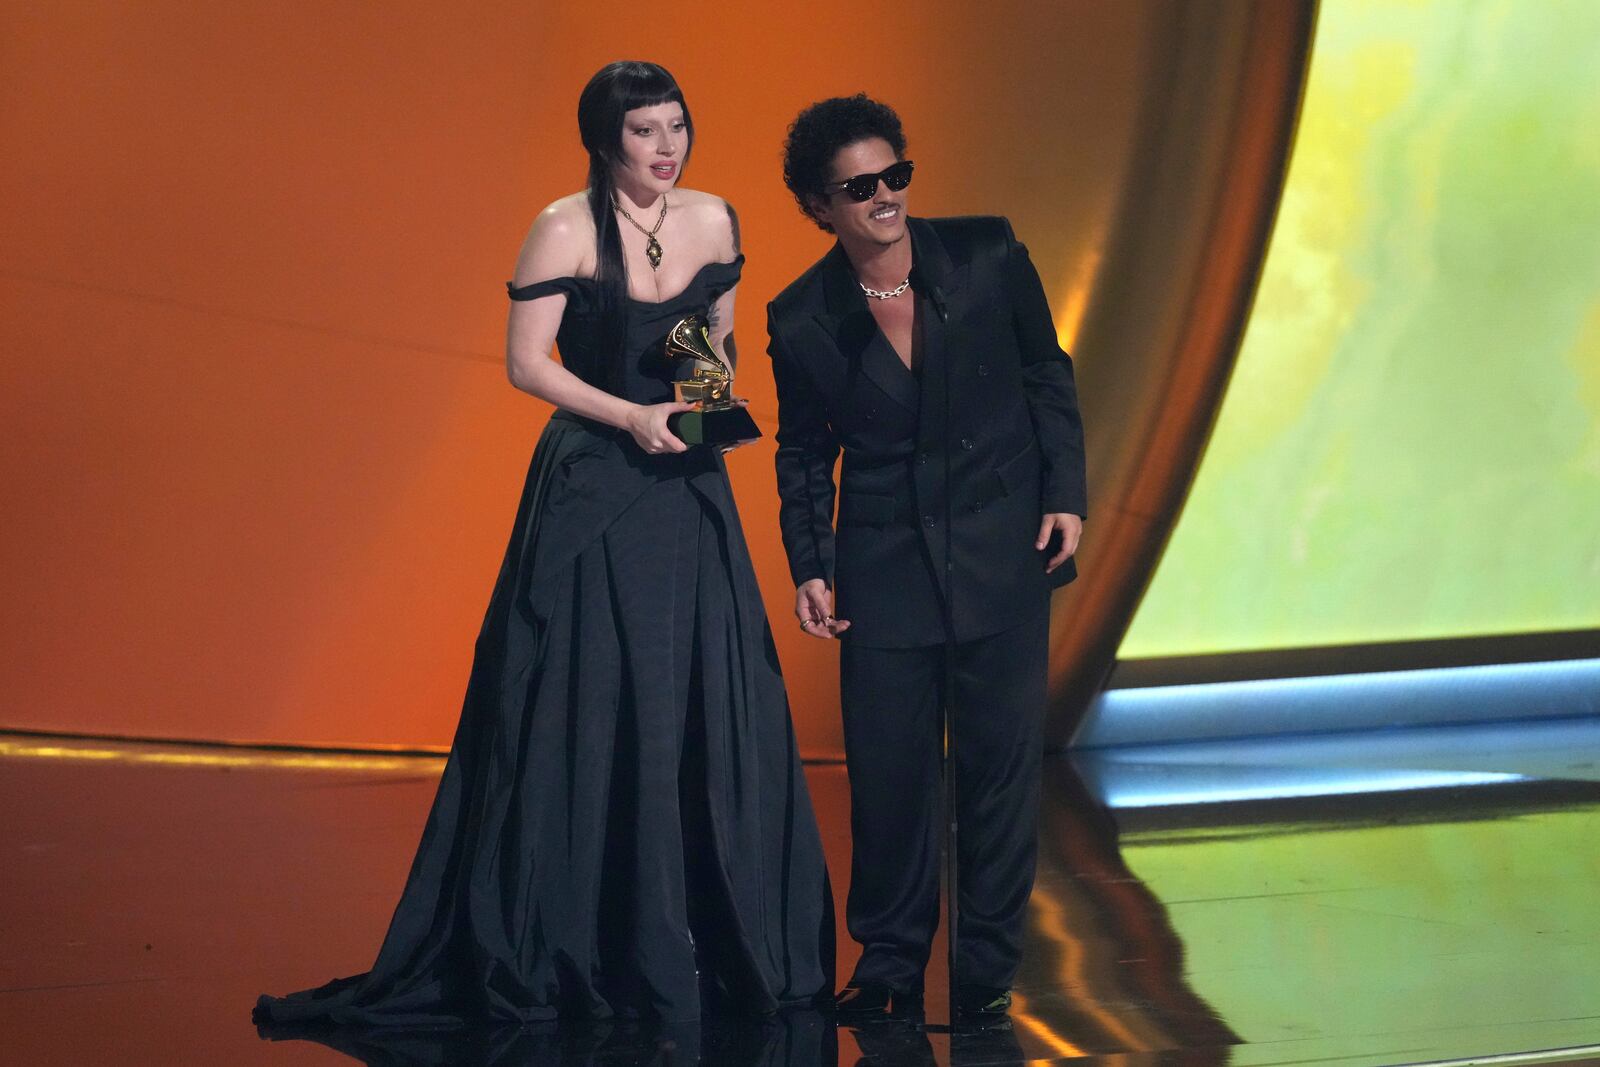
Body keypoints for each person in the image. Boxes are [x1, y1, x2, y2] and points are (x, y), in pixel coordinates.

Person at [255, 61, 833, 1028]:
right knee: (591, 696)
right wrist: (629, 417)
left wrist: (703, 393)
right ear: (607, 141)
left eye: (677, 126)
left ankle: (704, 939)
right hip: (595, 480)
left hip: (687, 484)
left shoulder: (716, 219)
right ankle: (585, 940)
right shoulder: (564, 225)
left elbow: (717, 342)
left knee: (696, 692)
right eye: (646, 131)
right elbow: (527, 364)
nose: (667, 146)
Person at [765, 95, 1087, 1023]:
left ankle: (986, 971)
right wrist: (810, 561)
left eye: (894, 175)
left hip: (1002, 551)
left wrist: (1064, 491)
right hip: (885, 569)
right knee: (892, 776)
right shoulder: (803, 317)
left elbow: (1044, 372)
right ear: (819, 206)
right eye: (859, 187)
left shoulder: (987, 256)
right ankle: (891, 964)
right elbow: (802, 449)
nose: (885, 198)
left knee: (996, 773)